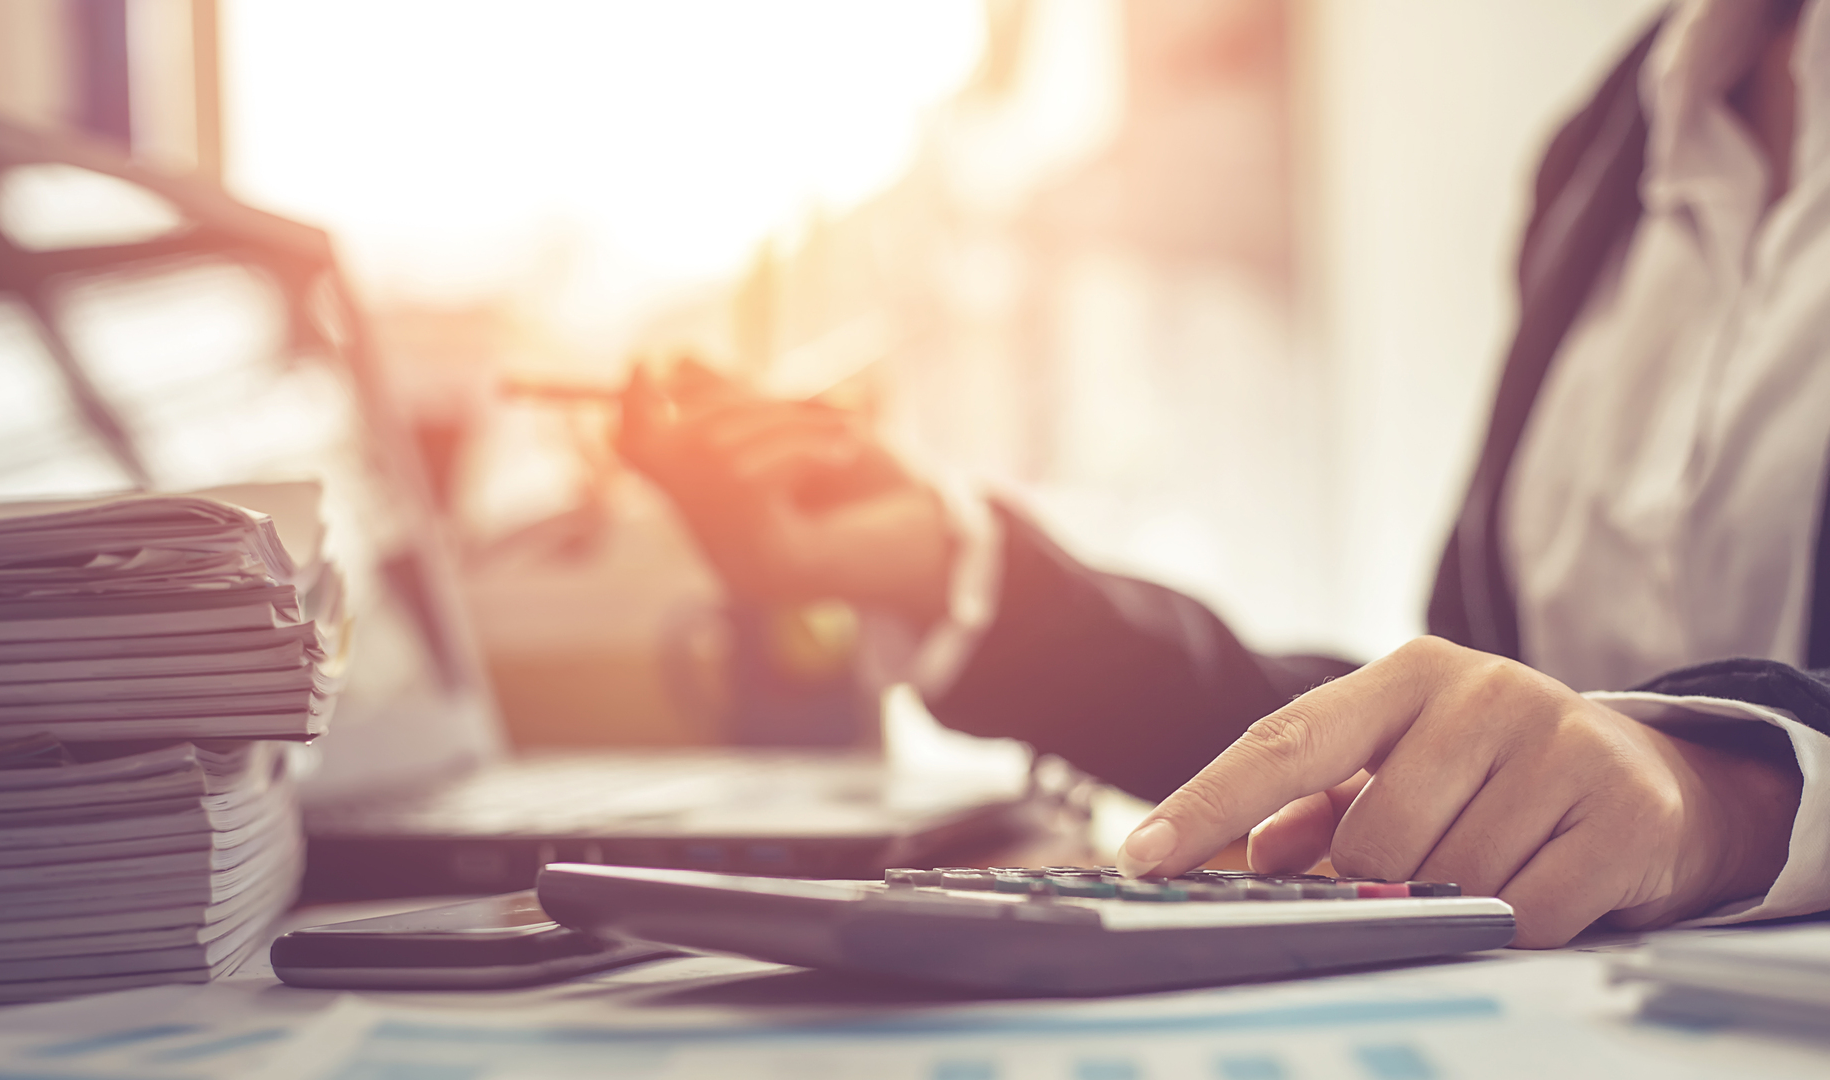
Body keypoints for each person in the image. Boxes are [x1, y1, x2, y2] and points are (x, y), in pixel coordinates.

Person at [618, 0, 1830, 948]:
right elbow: (1430, 744)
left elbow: (1632, 775)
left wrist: (1733, 795)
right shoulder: (1617, 130)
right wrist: (957, 576)